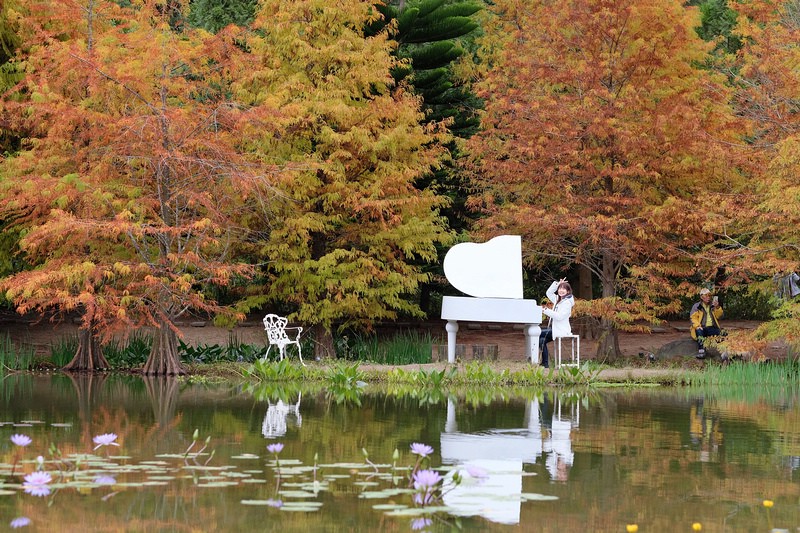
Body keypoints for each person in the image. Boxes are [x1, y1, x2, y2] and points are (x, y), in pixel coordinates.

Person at [538, 278, 574, 368]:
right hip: (555, 329)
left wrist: (546, 310)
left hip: (562, 330)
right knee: (541, 340)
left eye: (563, 289)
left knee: (537, 333)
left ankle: (544, 363)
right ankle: (545, 364)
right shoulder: (558, 300)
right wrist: (558, 283)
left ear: (568, 291)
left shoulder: (567, 303)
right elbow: (549, 293)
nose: (561, 291)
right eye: (559, 289)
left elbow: (559, 316)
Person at [690, 287, 723, 359]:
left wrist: (717, 307)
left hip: (712, 328)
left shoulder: (713, 305)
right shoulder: (697, 306)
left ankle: (724, 352)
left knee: (723, 333)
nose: (708, 297)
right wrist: (697, 326)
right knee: (699, 331)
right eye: (706, 296)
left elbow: (719, 316)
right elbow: (693, 318)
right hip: (702, 328)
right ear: (701, 297)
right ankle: (701, 351)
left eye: (709, 295)